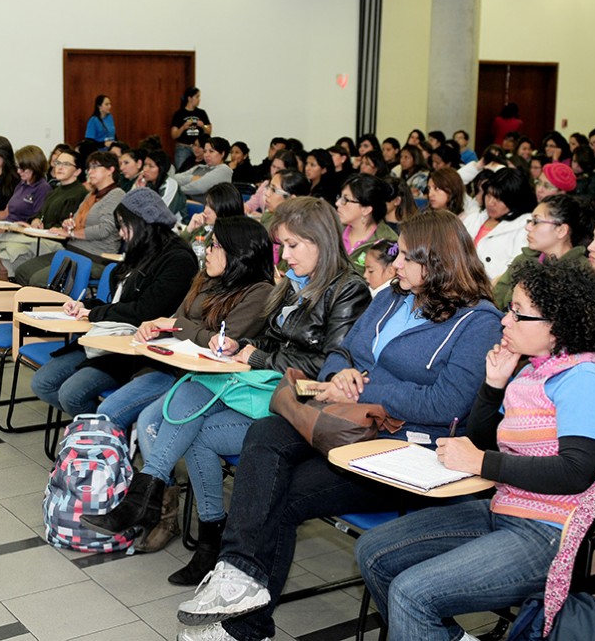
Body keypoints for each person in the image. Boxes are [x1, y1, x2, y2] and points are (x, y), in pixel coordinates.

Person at [175, 210, 503, 641]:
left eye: (406, 257)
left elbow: (447, 403)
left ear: (438, 262)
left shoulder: (478, 321)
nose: (396, 264)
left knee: (280, 497)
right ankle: (237, 574)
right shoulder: (391, 297)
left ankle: (245, 623)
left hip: (407, 451)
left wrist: (365, 390)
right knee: (268, 432)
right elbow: (343, 352)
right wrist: (338, 375)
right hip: (350, 425)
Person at [84, 197, 372, 587]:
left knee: (192, 423)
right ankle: (190, 526)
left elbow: (329, 365)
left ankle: (160, 510)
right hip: (263, 388)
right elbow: (268, 338)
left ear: (319, 240)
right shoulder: (293, 283)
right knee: (191, 405)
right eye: (282, 246)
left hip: (300, 404)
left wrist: (257, 355)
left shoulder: (348, 290)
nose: (285, 256)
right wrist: (242, 346)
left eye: (292, 245)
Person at [355, 257, 595, 641]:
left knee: (412, 594)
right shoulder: (536, 370)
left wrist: (482, 463)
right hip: (507, 508)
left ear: (557, 326)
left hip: (553, 532)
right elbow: (485, 440)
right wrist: (493, 385)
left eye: (519, 314)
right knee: (373, 553)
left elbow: (576, 472)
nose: (505, 321)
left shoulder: (586, 379)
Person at [95, 217, 275, 553]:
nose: (207, 251)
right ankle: (157, 509)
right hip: (180, 370)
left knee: (154, 422)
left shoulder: (259, 291)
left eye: (215, 245)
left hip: (220, 385)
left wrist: (181, 326)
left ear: (238, 252)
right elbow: (177, 321)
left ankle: (153, 510)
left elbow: (222, 340)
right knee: (135, 417)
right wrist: (158, 326)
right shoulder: (206, 278)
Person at [30, 188, 199, 416]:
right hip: (107, 336)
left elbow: (143, 312)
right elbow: (118, 301)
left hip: (133, 350)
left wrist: (94, 314)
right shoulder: (141, 249)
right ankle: (93, 425)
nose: (120, 233)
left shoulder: (178, 260)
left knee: (71, 395)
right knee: (42, 383)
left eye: (123, 225)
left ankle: (101, 428)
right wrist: (86, 305)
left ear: (141, 223)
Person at [14, 151, 126, 287]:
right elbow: (75, 220)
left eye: (95, 167)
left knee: (37, 280)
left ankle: (54, 301)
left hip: (95, 258)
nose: (90, 172)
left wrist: (71, 233)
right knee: (22, 272)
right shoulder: (91, 196)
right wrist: (69, 224)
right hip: (72, 251)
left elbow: (104, 229)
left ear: (110, 170)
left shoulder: (116, 194)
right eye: (89, 168)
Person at [0, 147, 88, 276]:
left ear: (77, 171)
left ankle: (0, 283)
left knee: (11, 252)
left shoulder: (79, 194)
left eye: (66, 164)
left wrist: (43, 227)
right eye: (58, 163)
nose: (59, 167)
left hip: (57, 243)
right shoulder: (55, 191)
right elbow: (39, 214)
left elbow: (66, 226)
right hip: (41, 238)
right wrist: (35, 220)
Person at [493, 193, 595, 309]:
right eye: (530, 221)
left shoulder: (582, 273)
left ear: (561, 230)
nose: (528, 227)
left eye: (536, 221)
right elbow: (495, 304)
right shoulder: (523, 260)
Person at [463, 168, 536, 280]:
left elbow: (514, 272)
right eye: (488, 195)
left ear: (514, 200)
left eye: (498, 198)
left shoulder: (525, 227)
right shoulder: (474, 218)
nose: (491, 203)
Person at [336, 174, 398, 274]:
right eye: (340, 197)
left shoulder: (388, 242)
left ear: (366, 210)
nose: (338, 203)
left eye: (346, 200)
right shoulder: (332, 230)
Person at [0, 145, 51, 222]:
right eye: (18, 167)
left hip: (20, 228)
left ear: (34, 167)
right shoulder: (21, 184)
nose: (18, 171)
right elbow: (6, 214)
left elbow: (37, 219)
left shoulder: (42, 188)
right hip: (8, 224)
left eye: (22, 168)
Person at [134, 148, 187, 223]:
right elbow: (132, 207)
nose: (145, 169)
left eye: (151, 166)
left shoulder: (170, 185)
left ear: (161, 169)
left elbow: (159, 215)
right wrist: (139, 190)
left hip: (174, 226)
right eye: (145, 165)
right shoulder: (147, 183)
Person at [171, 87, 212, 170]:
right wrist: (183, 127)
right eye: (197, 97)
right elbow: (173, 135)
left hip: (199, 149)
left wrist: (203, 126)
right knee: (181, 172)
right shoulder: (179, 114)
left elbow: (209, 131)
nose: (199, 99)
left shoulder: (201, 113)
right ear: (189, 98)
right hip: (183, 148)